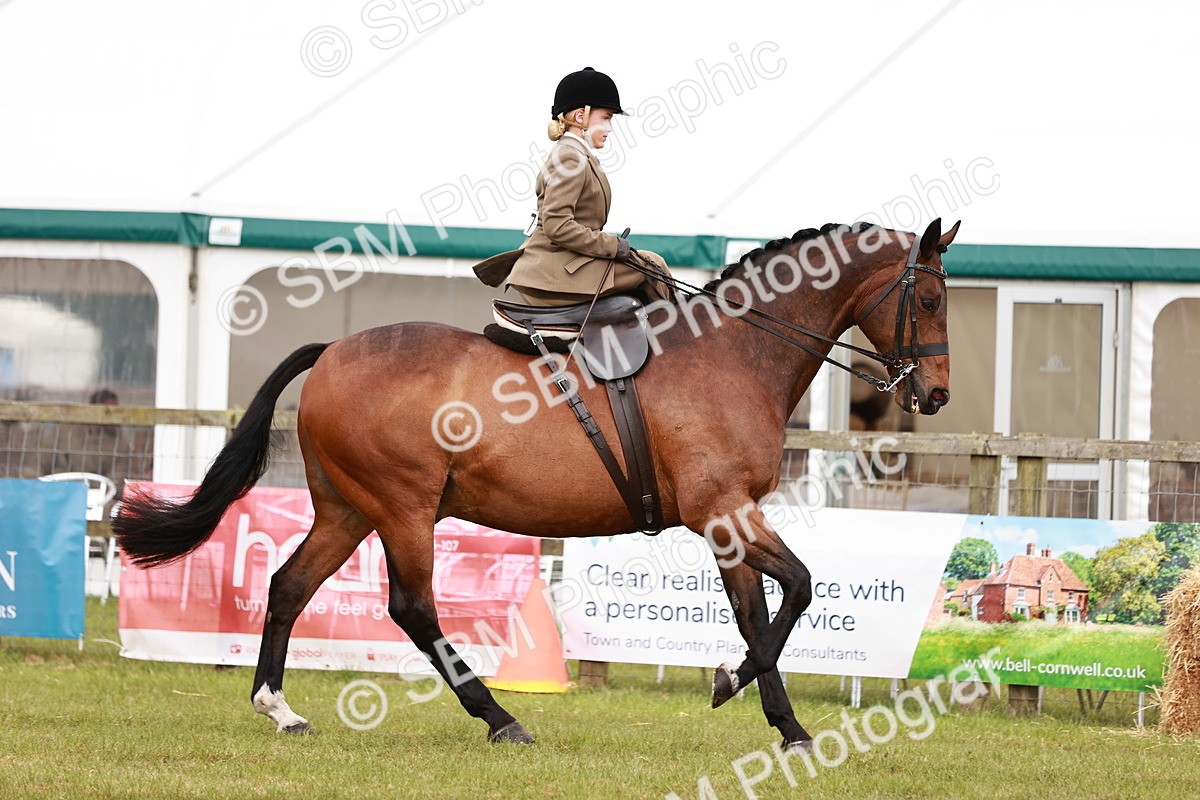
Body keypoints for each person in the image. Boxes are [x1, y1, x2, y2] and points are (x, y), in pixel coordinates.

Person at [503, 67, 674, 307]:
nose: (610, 128)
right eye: (606, 118)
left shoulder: (578, 155)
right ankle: (683, 335)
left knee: (650, 264)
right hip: (552, 271)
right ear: (581, 117)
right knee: (651, 266)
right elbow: (557, 225)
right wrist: (612, 245)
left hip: (566, 264)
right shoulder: (570, 157)